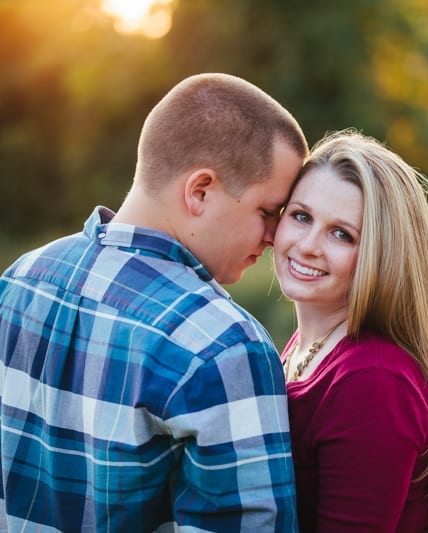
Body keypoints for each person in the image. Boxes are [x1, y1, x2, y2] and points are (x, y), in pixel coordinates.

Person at [0, 73, 307, 532]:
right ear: (200, 190)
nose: (274, 236)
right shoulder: (225, 347)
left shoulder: (22, 278)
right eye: (267, 211)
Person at [273, 129, 428, 532]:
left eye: (342, 234)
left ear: (380, 255)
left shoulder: (371, 379)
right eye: (301, 216)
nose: (309, 244)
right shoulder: (307, 349)